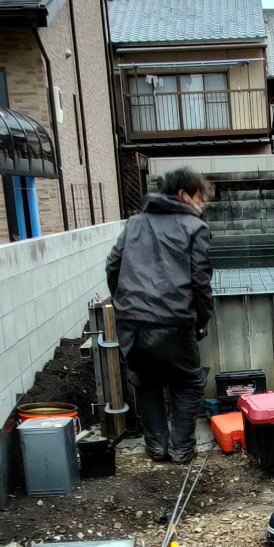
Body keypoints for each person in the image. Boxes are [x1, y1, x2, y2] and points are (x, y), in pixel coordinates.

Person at [105, 165, 214, 463]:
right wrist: (202, 320)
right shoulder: (195, 228)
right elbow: (200, 281)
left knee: (147, 381)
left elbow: (112, 266)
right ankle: (180, 449)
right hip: (173, 320)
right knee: (189, 382)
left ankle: (156, 447)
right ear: (183, 195)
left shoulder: (134, 223)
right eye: (199, 198)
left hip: (130, 322)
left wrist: (124, 304)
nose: (202, 206)